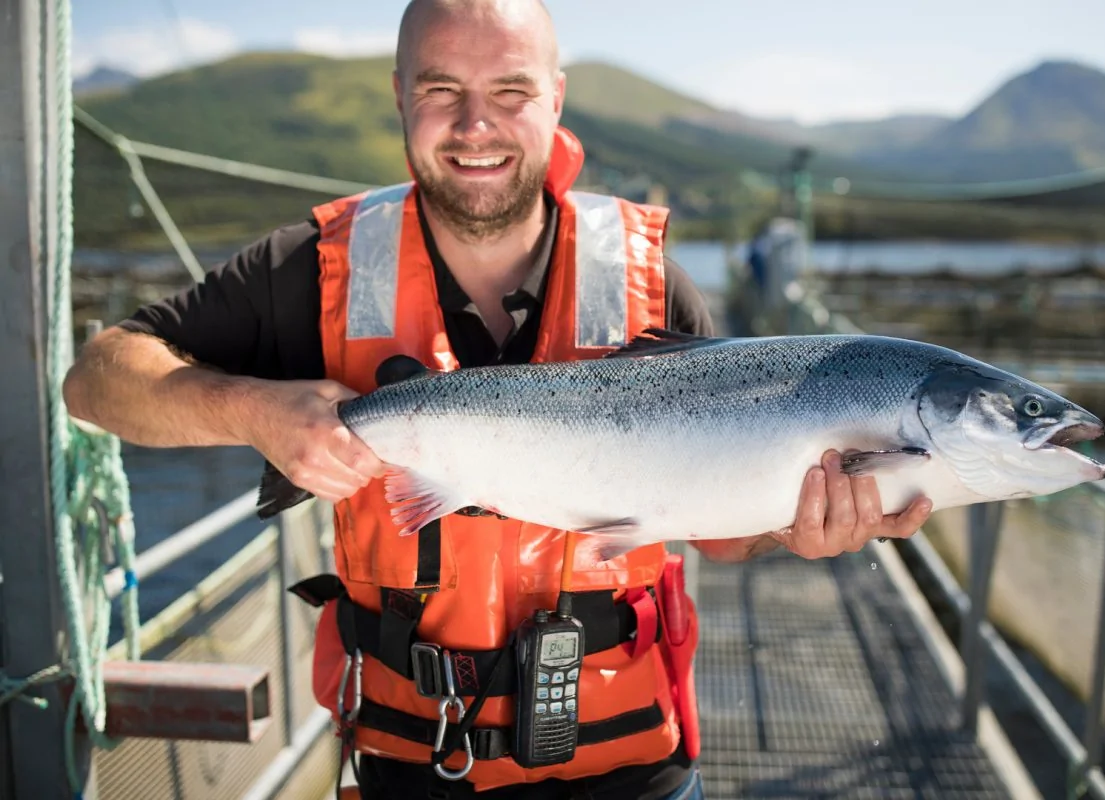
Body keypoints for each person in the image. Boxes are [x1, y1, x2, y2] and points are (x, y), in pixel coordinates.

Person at [63, 1, 932, 798]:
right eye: (443, 88)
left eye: (511, 91)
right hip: (412, 760)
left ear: (556, 100)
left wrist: (800, 521)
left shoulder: (651, 283)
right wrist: (254, 412)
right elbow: (98, 377)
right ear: (400, 94)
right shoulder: (313, 266)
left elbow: (720, 533)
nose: (475, 126)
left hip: (631, 767)